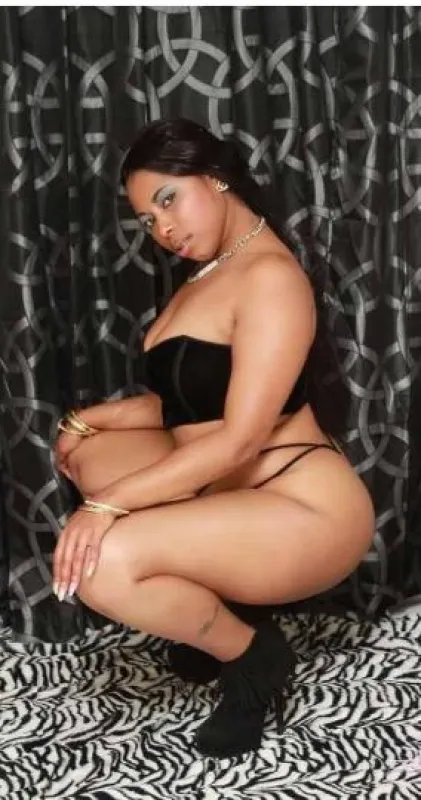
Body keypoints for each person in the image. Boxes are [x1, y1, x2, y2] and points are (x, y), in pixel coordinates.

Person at [52, 118, 375, 759]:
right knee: (91, 453)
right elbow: (188, 402)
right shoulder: (212, 270)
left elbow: (240, 439)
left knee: (101, 562)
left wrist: (104, 507)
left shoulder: (269, 278)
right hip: (235, 487)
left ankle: (253, 656)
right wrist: (89, 421)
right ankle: (224, 605)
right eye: (148, 219)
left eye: (169, 200)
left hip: (304, 506)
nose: (163, 229)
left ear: (217, 178)